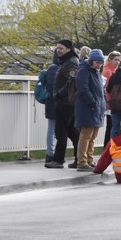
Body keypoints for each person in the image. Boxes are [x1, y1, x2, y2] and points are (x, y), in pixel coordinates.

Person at [46, 40, 80, 169]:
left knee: (61, 132)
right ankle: (79, 158)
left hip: (65, 102)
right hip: (68, 102)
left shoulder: (70, 62)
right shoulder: (68, 61)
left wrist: (59, 94)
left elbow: (71, 81)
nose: (58, 50)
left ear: (68, 49)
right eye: (57, 48)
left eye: (61, 48)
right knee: (72, 132)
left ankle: (58, 160)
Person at [74, 49, 106, 171]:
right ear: (91, 61)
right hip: (88, 107)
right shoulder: (83, 71)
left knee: (92, 136)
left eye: (100, 62)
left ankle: (89, 159)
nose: (99, 65)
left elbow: (100, 89)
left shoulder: (95, 72)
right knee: (86, 136)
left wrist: (103, 103)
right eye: (97, 62)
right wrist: (92, 102)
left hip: (96, 107)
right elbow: (83, 89)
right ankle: (82, 162)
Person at [102, 50, 121, 148]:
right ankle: (107, 147)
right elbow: (106, 89)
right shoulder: (108, 71)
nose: (117, 62)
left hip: (110, 102)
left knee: (111, 126)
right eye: (115, 60)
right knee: (111, 126)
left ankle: (108, 147)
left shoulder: (111, 70)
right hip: (109, 102)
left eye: (119, 60)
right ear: (110, 59)